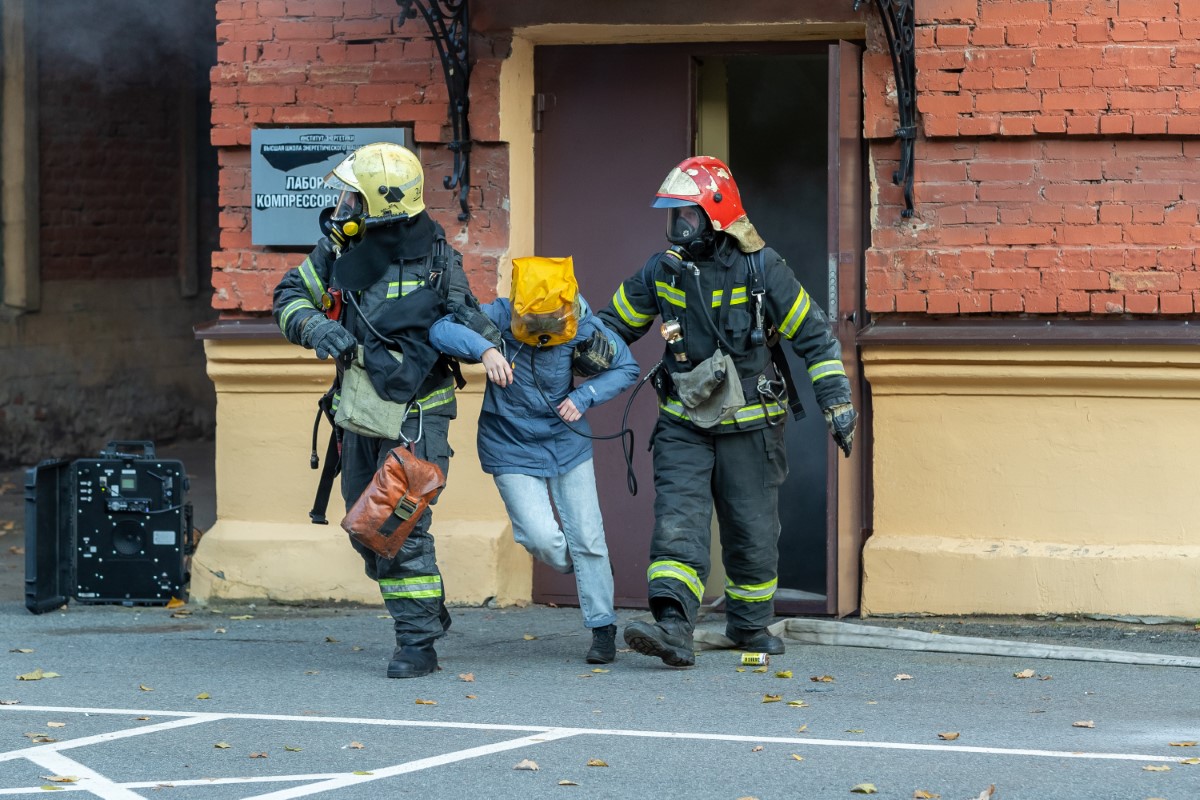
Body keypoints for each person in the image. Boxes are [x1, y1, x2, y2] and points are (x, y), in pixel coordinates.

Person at [597, 156, 857, 668]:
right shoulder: (661, 271)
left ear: (717, 215)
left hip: (752, 432)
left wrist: (837, 403)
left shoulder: (763, 269)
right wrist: (574, 347)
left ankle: (749, 625)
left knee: (752, 530)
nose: (676, 228)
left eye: (686, 217)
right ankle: (673, 627)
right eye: (672, 217)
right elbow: (613, 326)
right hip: (683, 425)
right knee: (678, 521)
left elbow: (815, 339)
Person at [272, 142, 503, 679]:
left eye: (354, 198)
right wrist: (316, 326)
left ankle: (417, 645)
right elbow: (288, 297)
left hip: (420, 410)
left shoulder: (439, 259)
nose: (344, 207)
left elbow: (464, 320)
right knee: (363, 525)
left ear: (381, 203)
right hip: (358, 411)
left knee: (395, 523)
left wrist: (498, 349)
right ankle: (426, 606)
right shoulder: (336, 251)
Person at [429, 256, 639, 664]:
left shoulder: (579, 317)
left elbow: (626, 367)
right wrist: (486, 348)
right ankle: (586, 566)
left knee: (589, 537)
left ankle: (602, 627)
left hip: (567, 441)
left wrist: (584, 397)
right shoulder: (502, 314)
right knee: (539, 537)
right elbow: (440, 329)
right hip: (509, 443)